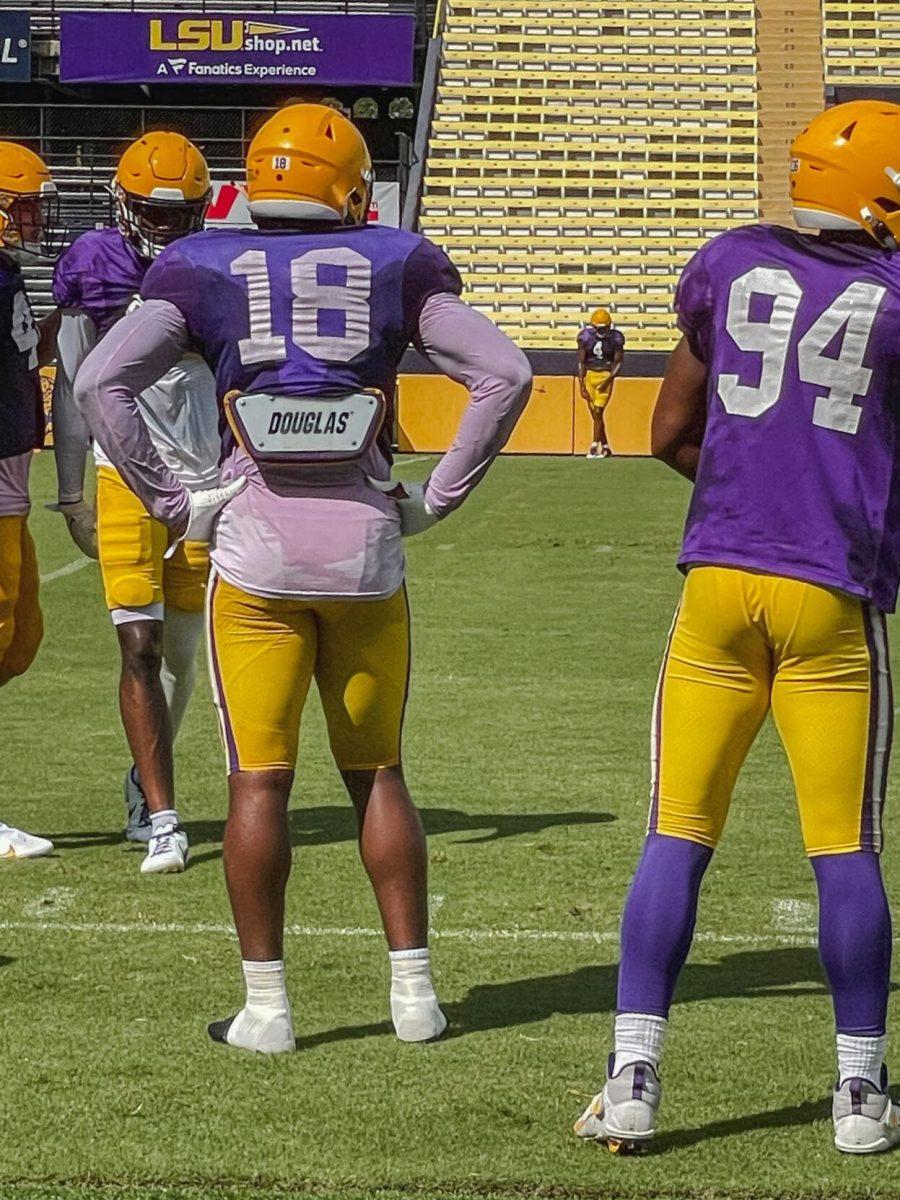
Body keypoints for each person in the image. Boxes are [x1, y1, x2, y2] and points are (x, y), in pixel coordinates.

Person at [75, 103, 532, 1050]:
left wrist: (172, 499)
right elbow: (505, 373)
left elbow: (97, 384)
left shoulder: (200, 267)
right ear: (350, 188)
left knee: (258, 783)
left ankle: (269, 1011)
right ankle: (416, 1000)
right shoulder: (398, 259)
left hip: (256, 556)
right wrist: (436, 497)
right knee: (379, 776)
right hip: (366, 553)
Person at [576, 99, 900, 1155]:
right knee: (843, 848)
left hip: (718, 584)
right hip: (828, 593)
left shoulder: (729, 259)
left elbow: (670, 429)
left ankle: (632, 1077)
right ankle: (858, 1095)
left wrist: (742, 503)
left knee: (678, 833)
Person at [51, 132, 221, 873]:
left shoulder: (219, 266)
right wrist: (68, 493)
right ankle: (162, 817)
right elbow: (72, 376)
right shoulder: (94, 260)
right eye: (153, 210)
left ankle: (143, 777)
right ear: (122, 201)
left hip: (206, 475)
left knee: (182, 654)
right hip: (123, 470)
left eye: (179, 211)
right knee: (140, 644)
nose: (164, 224)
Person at [0, 142, 62, 860]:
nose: (33, 216)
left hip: (12, 474)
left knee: (20, 638)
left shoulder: (6, 271)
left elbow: (19, 358)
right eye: (23, 203)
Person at [577, 307, 624, 458]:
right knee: (596, 416)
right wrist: (581, 384)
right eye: (599, 328)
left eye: (604, 328)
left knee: (598, 411)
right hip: (590, 375)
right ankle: (605, 446)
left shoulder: (616, 339)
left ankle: (593, 445)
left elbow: (618, 362)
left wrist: (609, 379)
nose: (601, 331)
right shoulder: (585, 338)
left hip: (605, 374)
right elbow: (581, 362)